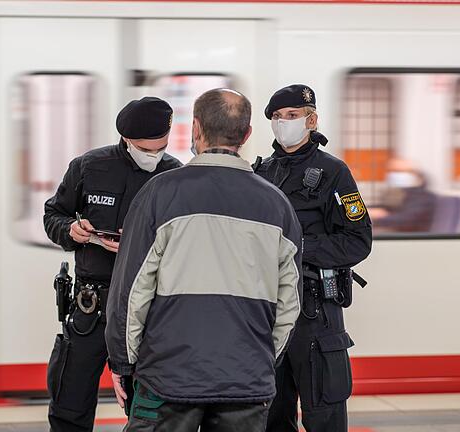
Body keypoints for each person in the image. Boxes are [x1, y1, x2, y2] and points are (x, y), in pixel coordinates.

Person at [105, 89, 303, 432]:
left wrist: (123, 364)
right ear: (246, 134)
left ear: (195, 128)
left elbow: (131, 291)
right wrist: (261, 360)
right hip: (246, 379)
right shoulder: (278, 206)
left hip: (168, 378)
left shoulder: (158, 194)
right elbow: (289, 303)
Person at [43, 96, 182, 432]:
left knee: (147, 411)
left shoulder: (175, 175)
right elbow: (53, 215)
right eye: (146, 150)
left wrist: (138, 247)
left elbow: (183, 243)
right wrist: (72, 231)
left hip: (147, 309)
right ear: (127, 141)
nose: (154, 156)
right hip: (92, 308)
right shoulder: (89, 167)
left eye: (160, 148)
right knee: (69, 406)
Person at [253, 84, 373, 432]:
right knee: (272, 414)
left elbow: (357, 241)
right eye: (277, 117)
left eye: (292, 116)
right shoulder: (261, 172)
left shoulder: (334, 172)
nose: (283, 123)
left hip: (315, 312)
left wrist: (296, 246)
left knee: (324, 413)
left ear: (312, 120)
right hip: (269, 310)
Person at [369, 158, 437, 233]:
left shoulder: (424, 197)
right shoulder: (397, 194)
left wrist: (380, 217)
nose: (394, 175)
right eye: (391, 171)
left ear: (415, 174)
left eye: (399, 171)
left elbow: (409, 220)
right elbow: (385, 208)